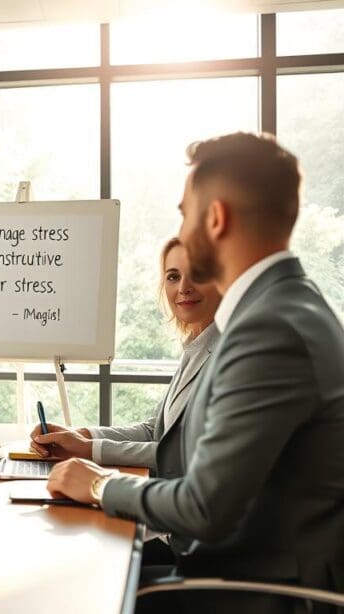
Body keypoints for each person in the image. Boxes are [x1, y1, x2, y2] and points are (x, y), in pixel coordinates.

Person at [46, 132, 344, 612]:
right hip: (239, 568)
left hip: (259, 593)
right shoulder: (278, 310)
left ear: (216, 218)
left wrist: (99, 484)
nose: (182, 232)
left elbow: (204, 508)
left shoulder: (271, 329)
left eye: (185, 214)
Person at [30, 237, 221, 471]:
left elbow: (187, 454)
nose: (183, 288)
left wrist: (89, 449)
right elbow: (154, 431)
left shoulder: (226, 352)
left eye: (197, 274)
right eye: (173, 276)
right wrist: (79, 435)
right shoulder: (196, 347)